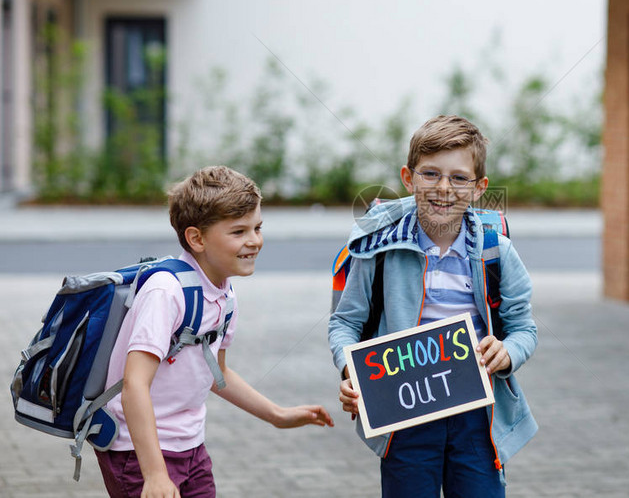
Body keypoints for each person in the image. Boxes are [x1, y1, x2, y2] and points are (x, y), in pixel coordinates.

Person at [329, 115, 538, 497]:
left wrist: (507, 352)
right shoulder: (378, 249)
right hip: (403, 414)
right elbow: (344, 322)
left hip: (478, 417)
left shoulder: (496, 250)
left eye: (459, 178)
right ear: (408, 178)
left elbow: (524, 327)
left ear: (479, 188)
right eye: (430, 174)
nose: (444, 188)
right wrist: (351, 370)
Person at [97, 166, 334, 498]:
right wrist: (154, 474)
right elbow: (134, 384)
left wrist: (276, 415)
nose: (254, 241)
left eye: (257, 227)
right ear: (197, 238)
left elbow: (216, 373)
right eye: (238, 232)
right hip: (140, 455)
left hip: (191, 448)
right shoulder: (166, 292)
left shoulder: (224, 292)